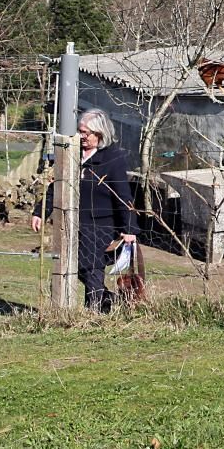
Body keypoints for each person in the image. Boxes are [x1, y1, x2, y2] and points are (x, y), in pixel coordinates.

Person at [31, 109, 138, 312]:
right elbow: (58, 185)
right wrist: (40, 212)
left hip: (102, 224)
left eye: (85, 133)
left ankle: (95, 310)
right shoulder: (73, 153)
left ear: (100, 134)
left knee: (90, 266)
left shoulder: (113, 158)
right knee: (71, 264)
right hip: (72, 222)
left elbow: (123, 195)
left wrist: (130, 228)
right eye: (79, 131)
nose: (81, 136)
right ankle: (106, 301)